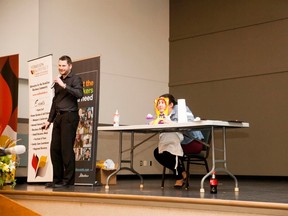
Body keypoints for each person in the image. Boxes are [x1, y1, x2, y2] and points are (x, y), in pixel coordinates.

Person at [42, 55, 84, 188]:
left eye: (63, 65)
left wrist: (64, 85)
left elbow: (79, 94)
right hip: (58, 117)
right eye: (59, 65)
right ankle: (57, 180)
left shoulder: (75, 79)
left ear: (70, 66)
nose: (61, 68)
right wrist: (49, 120)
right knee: (55, 149)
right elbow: (55, 102)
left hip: (70, 116)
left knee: (66, 150)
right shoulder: (58, 81)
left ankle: (68, 181)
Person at [153, 93, 204, 188]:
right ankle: (183, 173)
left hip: (191, 142)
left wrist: (170, 122)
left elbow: (188, 124)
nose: (160, 105)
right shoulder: (162, 114)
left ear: (171, 104)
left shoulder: (182, 109)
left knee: (170, 151)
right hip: (176, 143)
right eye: (159, 103)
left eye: (163, 103)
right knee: (158, 152)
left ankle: (179, 178)